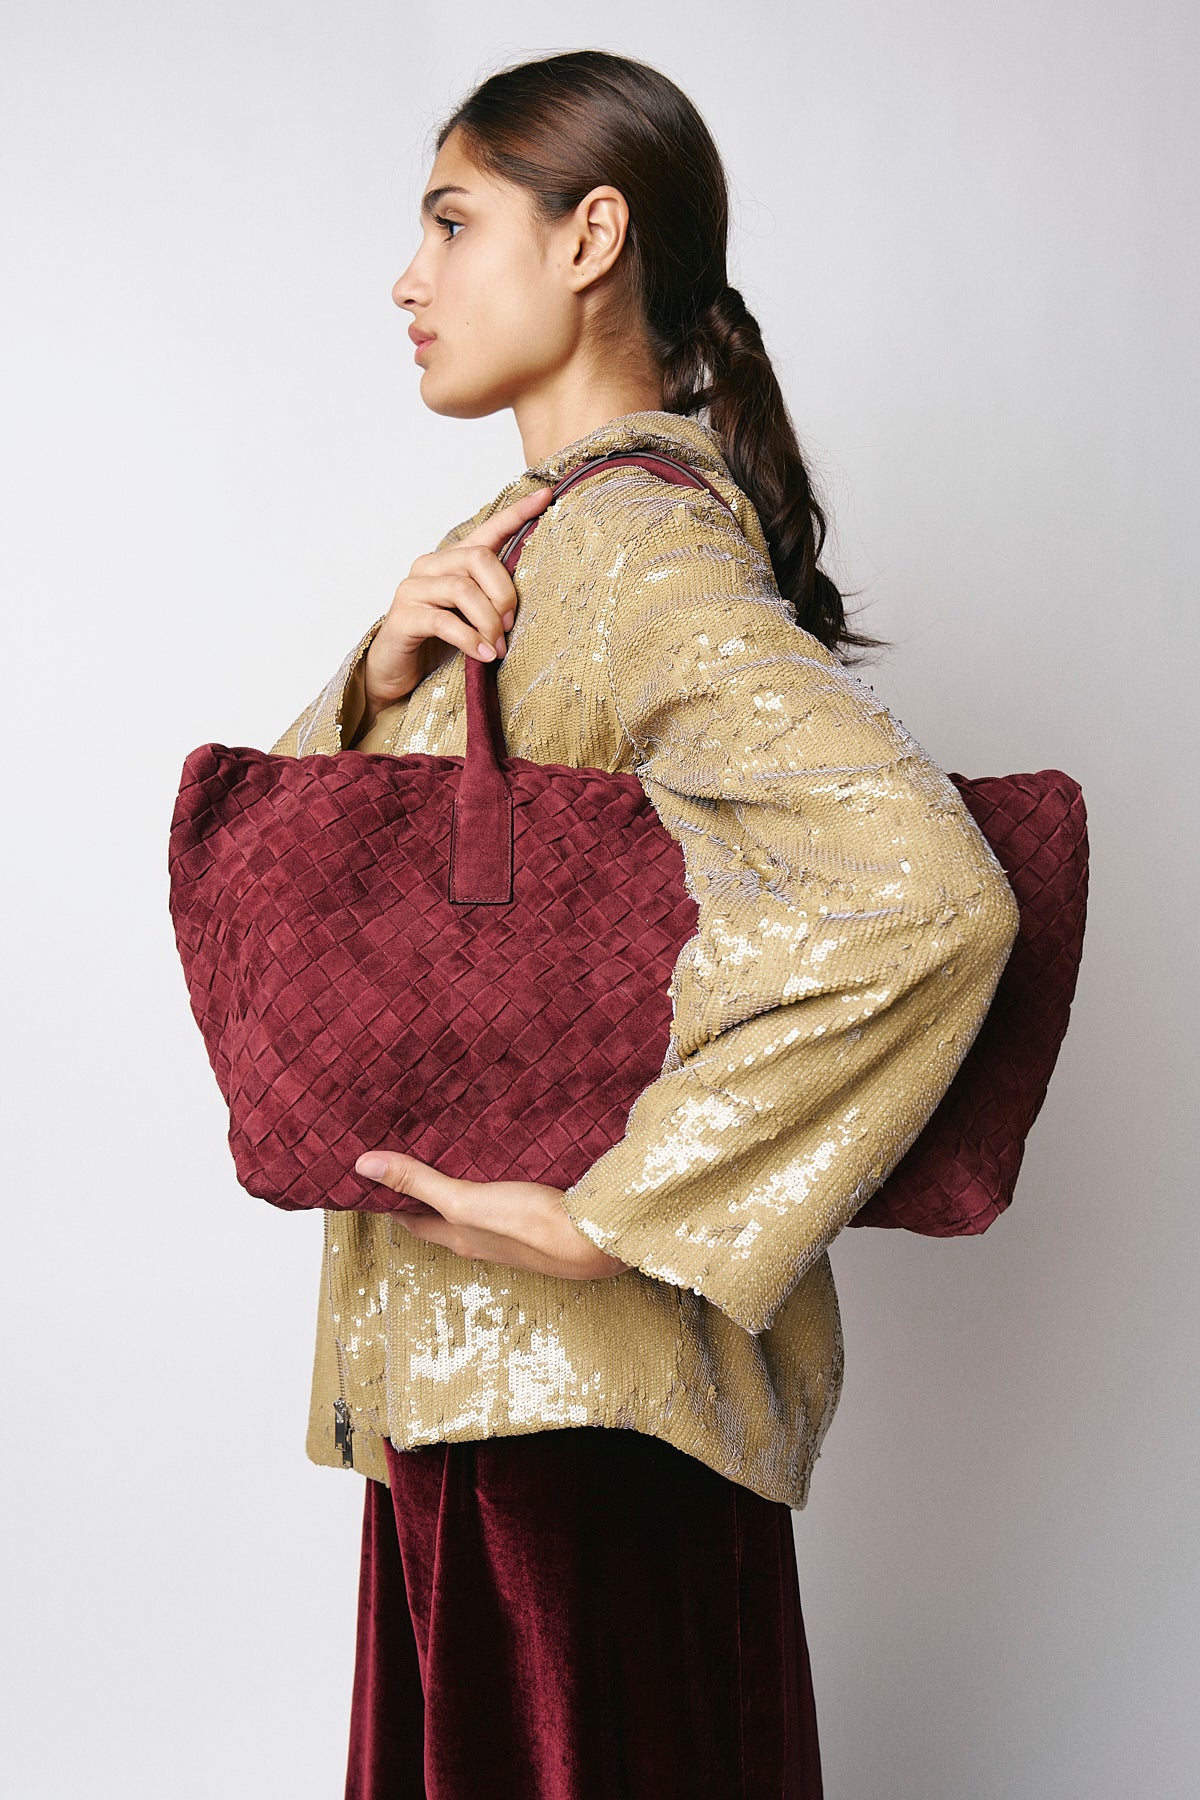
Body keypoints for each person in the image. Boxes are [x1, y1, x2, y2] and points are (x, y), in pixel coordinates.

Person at [270, 49, 1020, 1800]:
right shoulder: (530, 545)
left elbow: (929, 895)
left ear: (590, 234)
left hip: (567, 1441)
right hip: (504, 1416)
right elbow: (292, 910)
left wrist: (617, 1216)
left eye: (453, 223)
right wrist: (376, 680)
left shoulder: (631, 549)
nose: (408, 278)